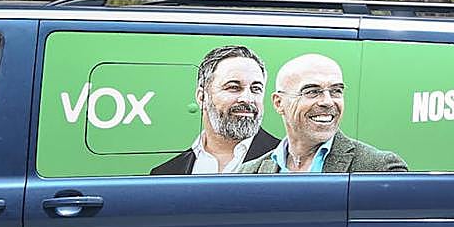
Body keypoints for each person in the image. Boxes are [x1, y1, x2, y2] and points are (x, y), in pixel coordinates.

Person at [240, 53, 407, 174]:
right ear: (279, 103)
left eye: (336, 91)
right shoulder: (249, 172)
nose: (327, 101)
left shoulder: (379, 168)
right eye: (312, 91)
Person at [150, 45, 280, 175]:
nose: (247, 99)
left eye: (256, 89)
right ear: (202, 97)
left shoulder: (287, 160)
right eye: (234, 87)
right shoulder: (166, 173)